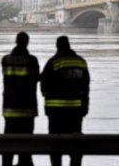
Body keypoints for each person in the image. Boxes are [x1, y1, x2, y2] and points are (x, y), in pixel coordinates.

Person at [41, 36, 90, 166]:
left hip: (55, 112)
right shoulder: (81, 62)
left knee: (55, 143)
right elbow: (86, 87)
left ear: (57, 46)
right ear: (69, 45)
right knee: (74, 142)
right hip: (75, 110)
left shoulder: (53, 62)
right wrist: (85, 105)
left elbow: (44, 85)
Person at [1, 32, 40, 166]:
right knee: (27, 141)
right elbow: (36, 79)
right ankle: (24, 162)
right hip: (28, 109)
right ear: (27, 42)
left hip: (10, 108)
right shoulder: (32, 60)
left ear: (16, 41)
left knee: (8, 141)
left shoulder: (5, 60)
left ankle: (7, 163)